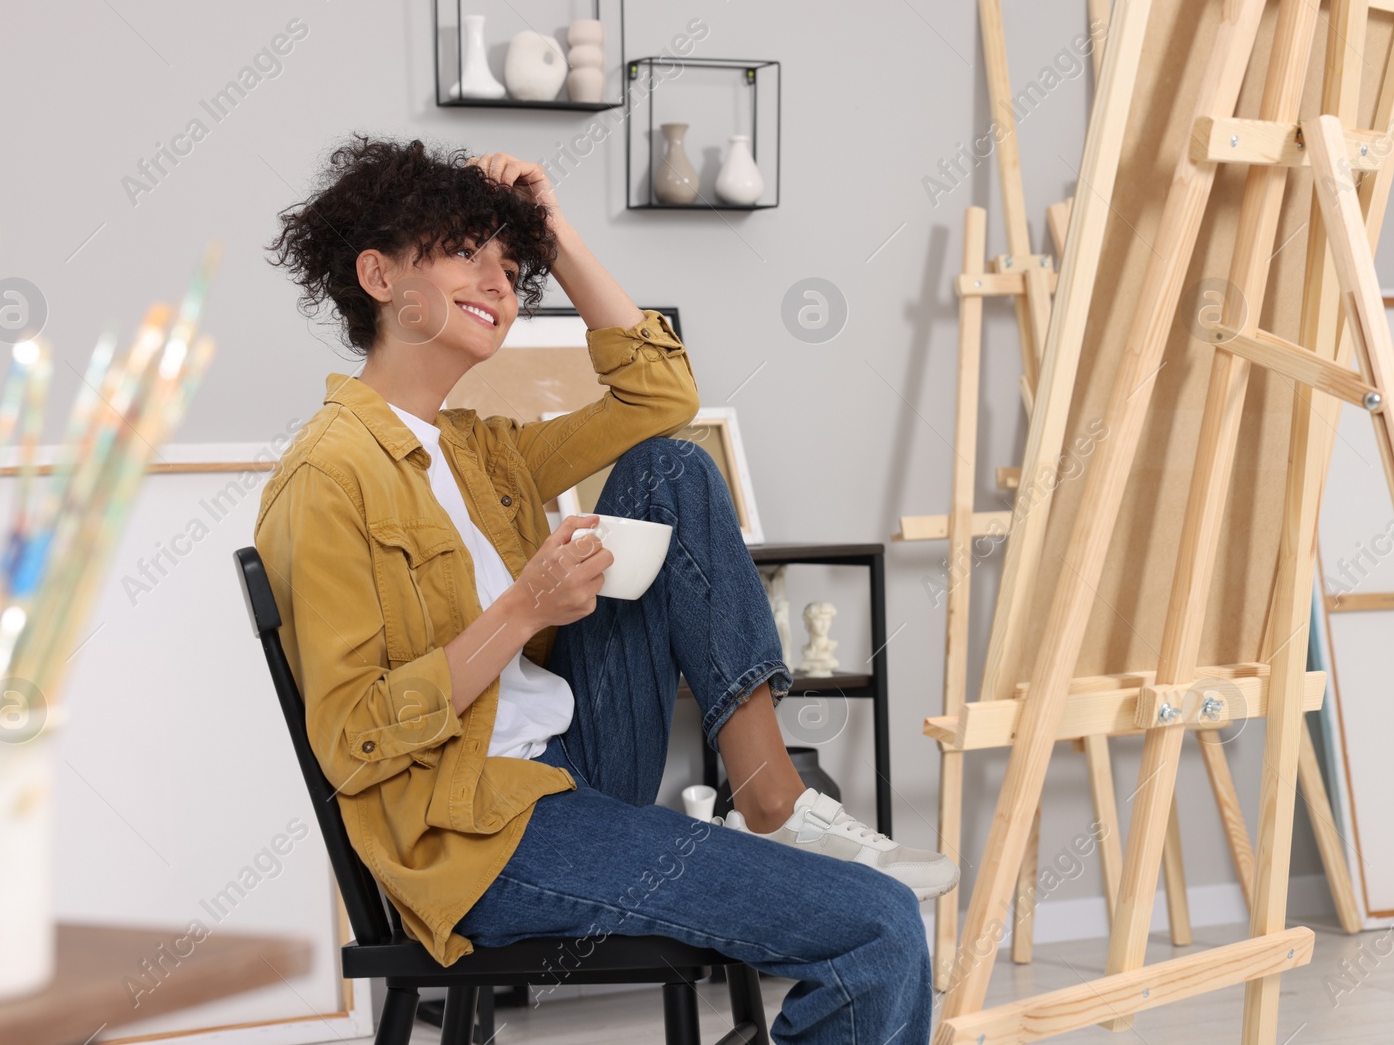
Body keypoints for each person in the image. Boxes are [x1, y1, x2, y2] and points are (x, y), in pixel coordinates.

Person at [254, 135, 953, 1043]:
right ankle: (774, 808)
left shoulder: (475, 450)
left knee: (665, 470)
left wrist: (556, 235)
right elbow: (351, 741)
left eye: (511, 264)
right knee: (880, 926)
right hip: (478, 832)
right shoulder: (329, 476)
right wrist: (522, 611)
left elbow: (660, 397)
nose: (500, 281)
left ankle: (770, 795)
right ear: (379, 275)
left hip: (576, 764)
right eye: (466, 252)